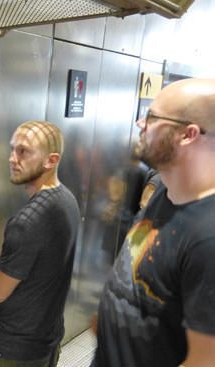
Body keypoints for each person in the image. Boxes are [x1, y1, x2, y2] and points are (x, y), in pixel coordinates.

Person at [93, 78, 215, 367]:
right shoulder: (164, 191)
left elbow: (203, 361)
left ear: (188, 135)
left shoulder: (208, 238)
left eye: (151, 117)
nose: (139, 124)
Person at [0, 121, 80, 367]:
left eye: (23, 151)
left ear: (51, 160)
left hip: (14, 350)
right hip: (46, 339)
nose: (12, 158)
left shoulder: (27, 221)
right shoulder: (67, 200)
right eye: (12, 149)